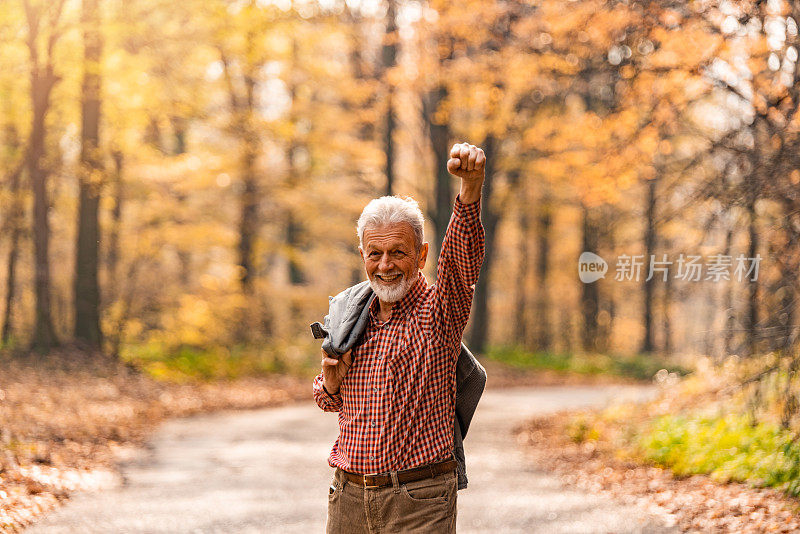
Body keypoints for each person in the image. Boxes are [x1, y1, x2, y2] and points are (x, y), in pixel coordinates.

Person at [312, 142, 486, 533]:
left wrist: (470, 189)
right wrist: (331, 383)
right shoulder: (352, 313)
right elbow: (327, 399)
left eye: (398, 252)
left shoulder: (439, 314)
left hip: (418, 500)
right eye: (375, 254)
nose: (385, 265)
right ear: (362, 254)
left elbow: (460, 264)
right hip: (348, 498)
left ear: (421, 255)